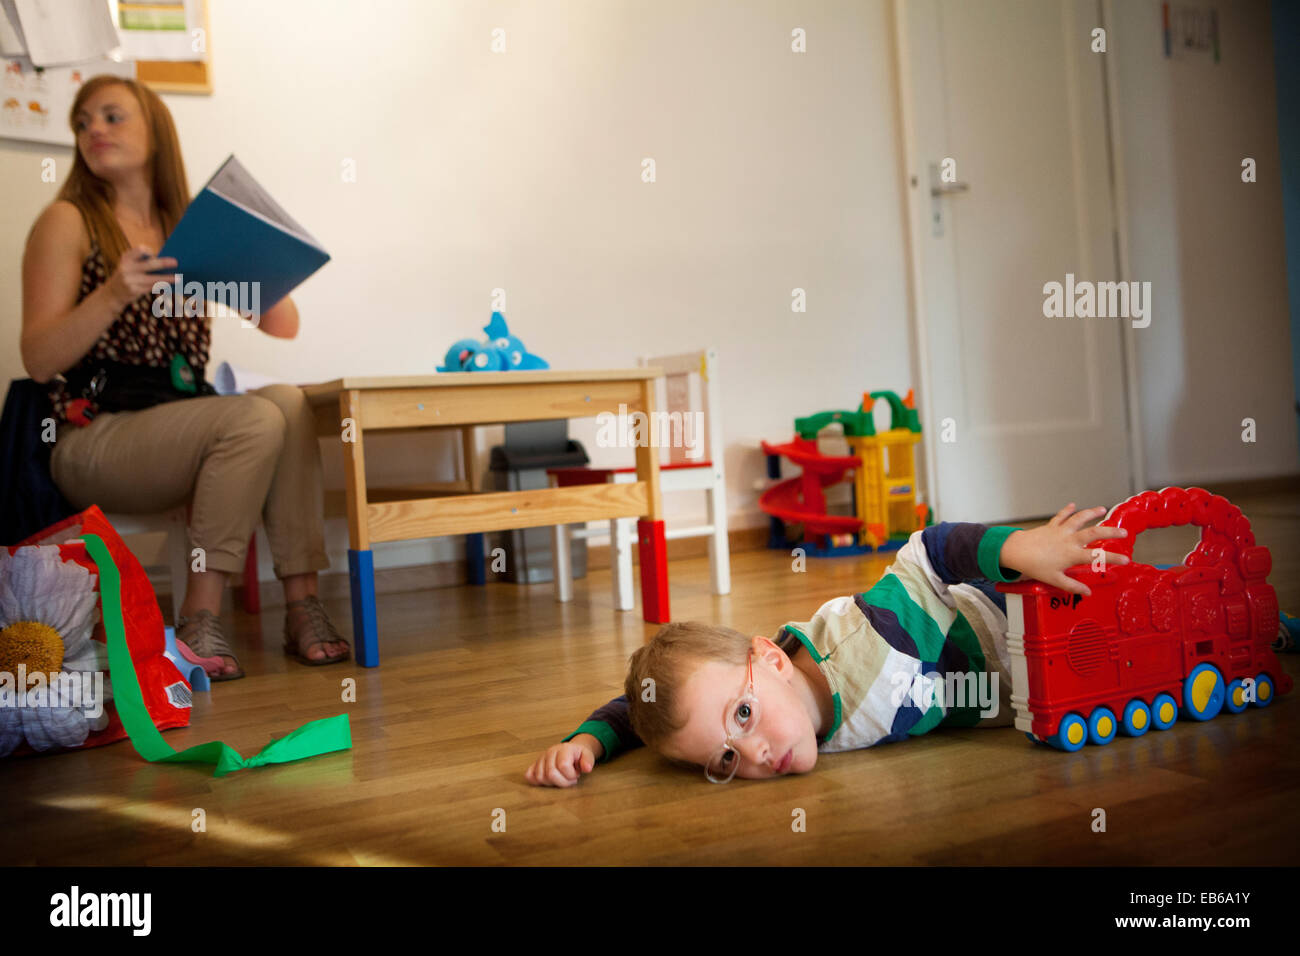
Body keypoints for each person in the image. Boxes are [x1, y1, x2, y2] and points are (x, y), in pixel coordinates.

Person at [18, 75, 350, 681]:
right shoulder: (70, 221)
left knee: (290, 403)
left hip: (182, 428)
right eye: (83, 121)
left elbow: (285, 324)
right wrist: (116, 292)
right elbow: (39, 358)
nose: (94, 129)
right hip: (94, 437)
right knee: (253, 414)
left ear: (155, 128)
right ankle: (198, 620)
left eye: (112, 116)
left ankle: (303, 603)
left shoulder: (185, 230)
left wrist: (249, 255)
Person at [525, 503, 1130, 786]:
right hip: (1012, 697)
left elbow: (931, 552)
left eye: (745, 715)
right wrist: (586, 742)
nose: (756, 752)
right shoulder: (743, 705)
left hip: (1009, 625)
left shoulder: (873, 640)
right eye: (727, 762)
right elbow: (653, 708)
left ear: (769, 659)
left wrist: (1020, 549)